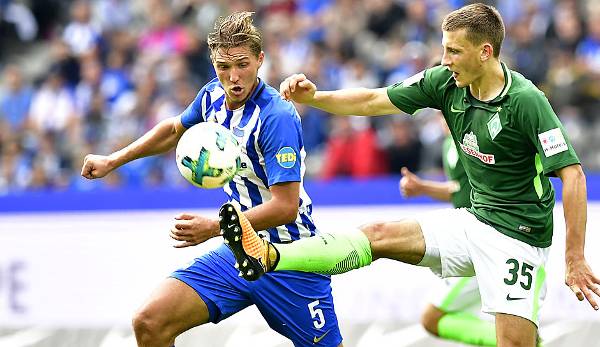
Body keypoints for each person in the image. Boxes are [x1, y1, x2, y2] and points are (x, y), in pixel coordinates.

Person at [218, 4, 600, 347]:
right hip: (474, 221)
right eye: (443, 48)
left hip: (520, 239)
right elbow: (373, 99)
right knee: (380, 235)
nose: (444, 59)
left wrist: (575, 257)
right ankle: (270, 255)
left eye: (454, 51)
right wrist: (315, 98)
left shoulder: (526, 101)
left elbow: (574, 175)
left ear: (485, 53)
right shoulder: (445, 82)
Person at [81, 12, 343, 347]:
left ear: (260, 60)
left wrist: (214, 228)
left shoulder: (276, 117)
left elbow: (286, 208)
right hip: (238, 252)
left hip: (289, 257)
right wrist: (113, 160)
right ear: (212, 63)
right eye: (223, 67)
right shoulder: (211, 97)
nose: (233, 77)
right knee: (150, 322)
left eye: (242, 64)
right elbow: (174, 130)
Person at [400, 115, 494, 346]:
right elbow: (457, 189)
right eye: (439, 114)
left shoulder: (473, 140)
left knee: (432, 318)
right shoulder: (448, 144)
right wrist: (422, 188)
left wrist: (423, 187)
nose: (443, 119)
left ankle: (522, 341)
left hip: (483, 242)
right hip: (468, 238)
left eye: (446, 113)